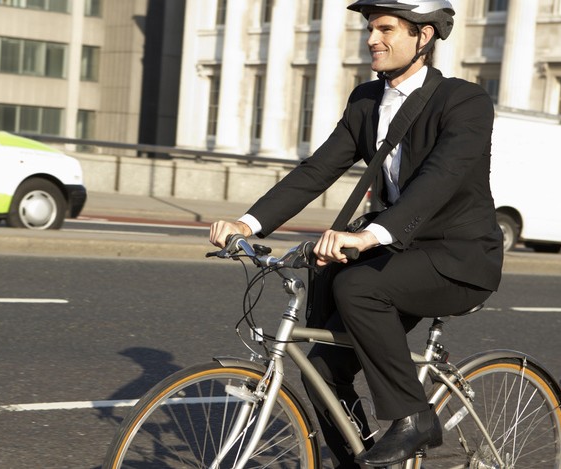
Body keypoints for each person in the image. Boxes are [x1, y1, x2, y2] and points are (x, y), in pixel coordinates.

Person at [209, 0, 503, 466]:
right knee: (322, 369)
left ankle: (413, 417)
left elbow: (440, 179)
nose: (372, 39)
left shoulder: (465, 101)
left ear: (423, 37)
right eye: (370, 28)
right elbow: (317, 170)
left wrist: (371, 235)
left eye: (386, 28)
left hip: (458, 257)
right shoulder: (366, 100)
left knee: (359, 284)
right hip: (399, 254)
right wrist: (248, 223)